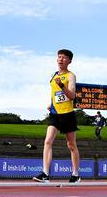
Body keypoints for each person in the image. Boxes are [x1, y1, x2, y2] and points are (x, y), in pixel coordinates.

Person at [33, 49, 81, 183]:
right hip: (55, 114)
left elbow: (71, 96)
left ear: (69, 61)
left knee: (71, 145)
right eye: (59, 57)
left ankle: (76, 174)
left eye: (64, 58)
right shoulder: (54, 75)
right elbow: (55, 94)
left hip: (68, 114)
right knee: (48, 141)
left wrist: (62, 86)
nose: (61, 59)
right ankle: (45, 174)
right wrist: (51, 104)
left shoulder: (71, 76)